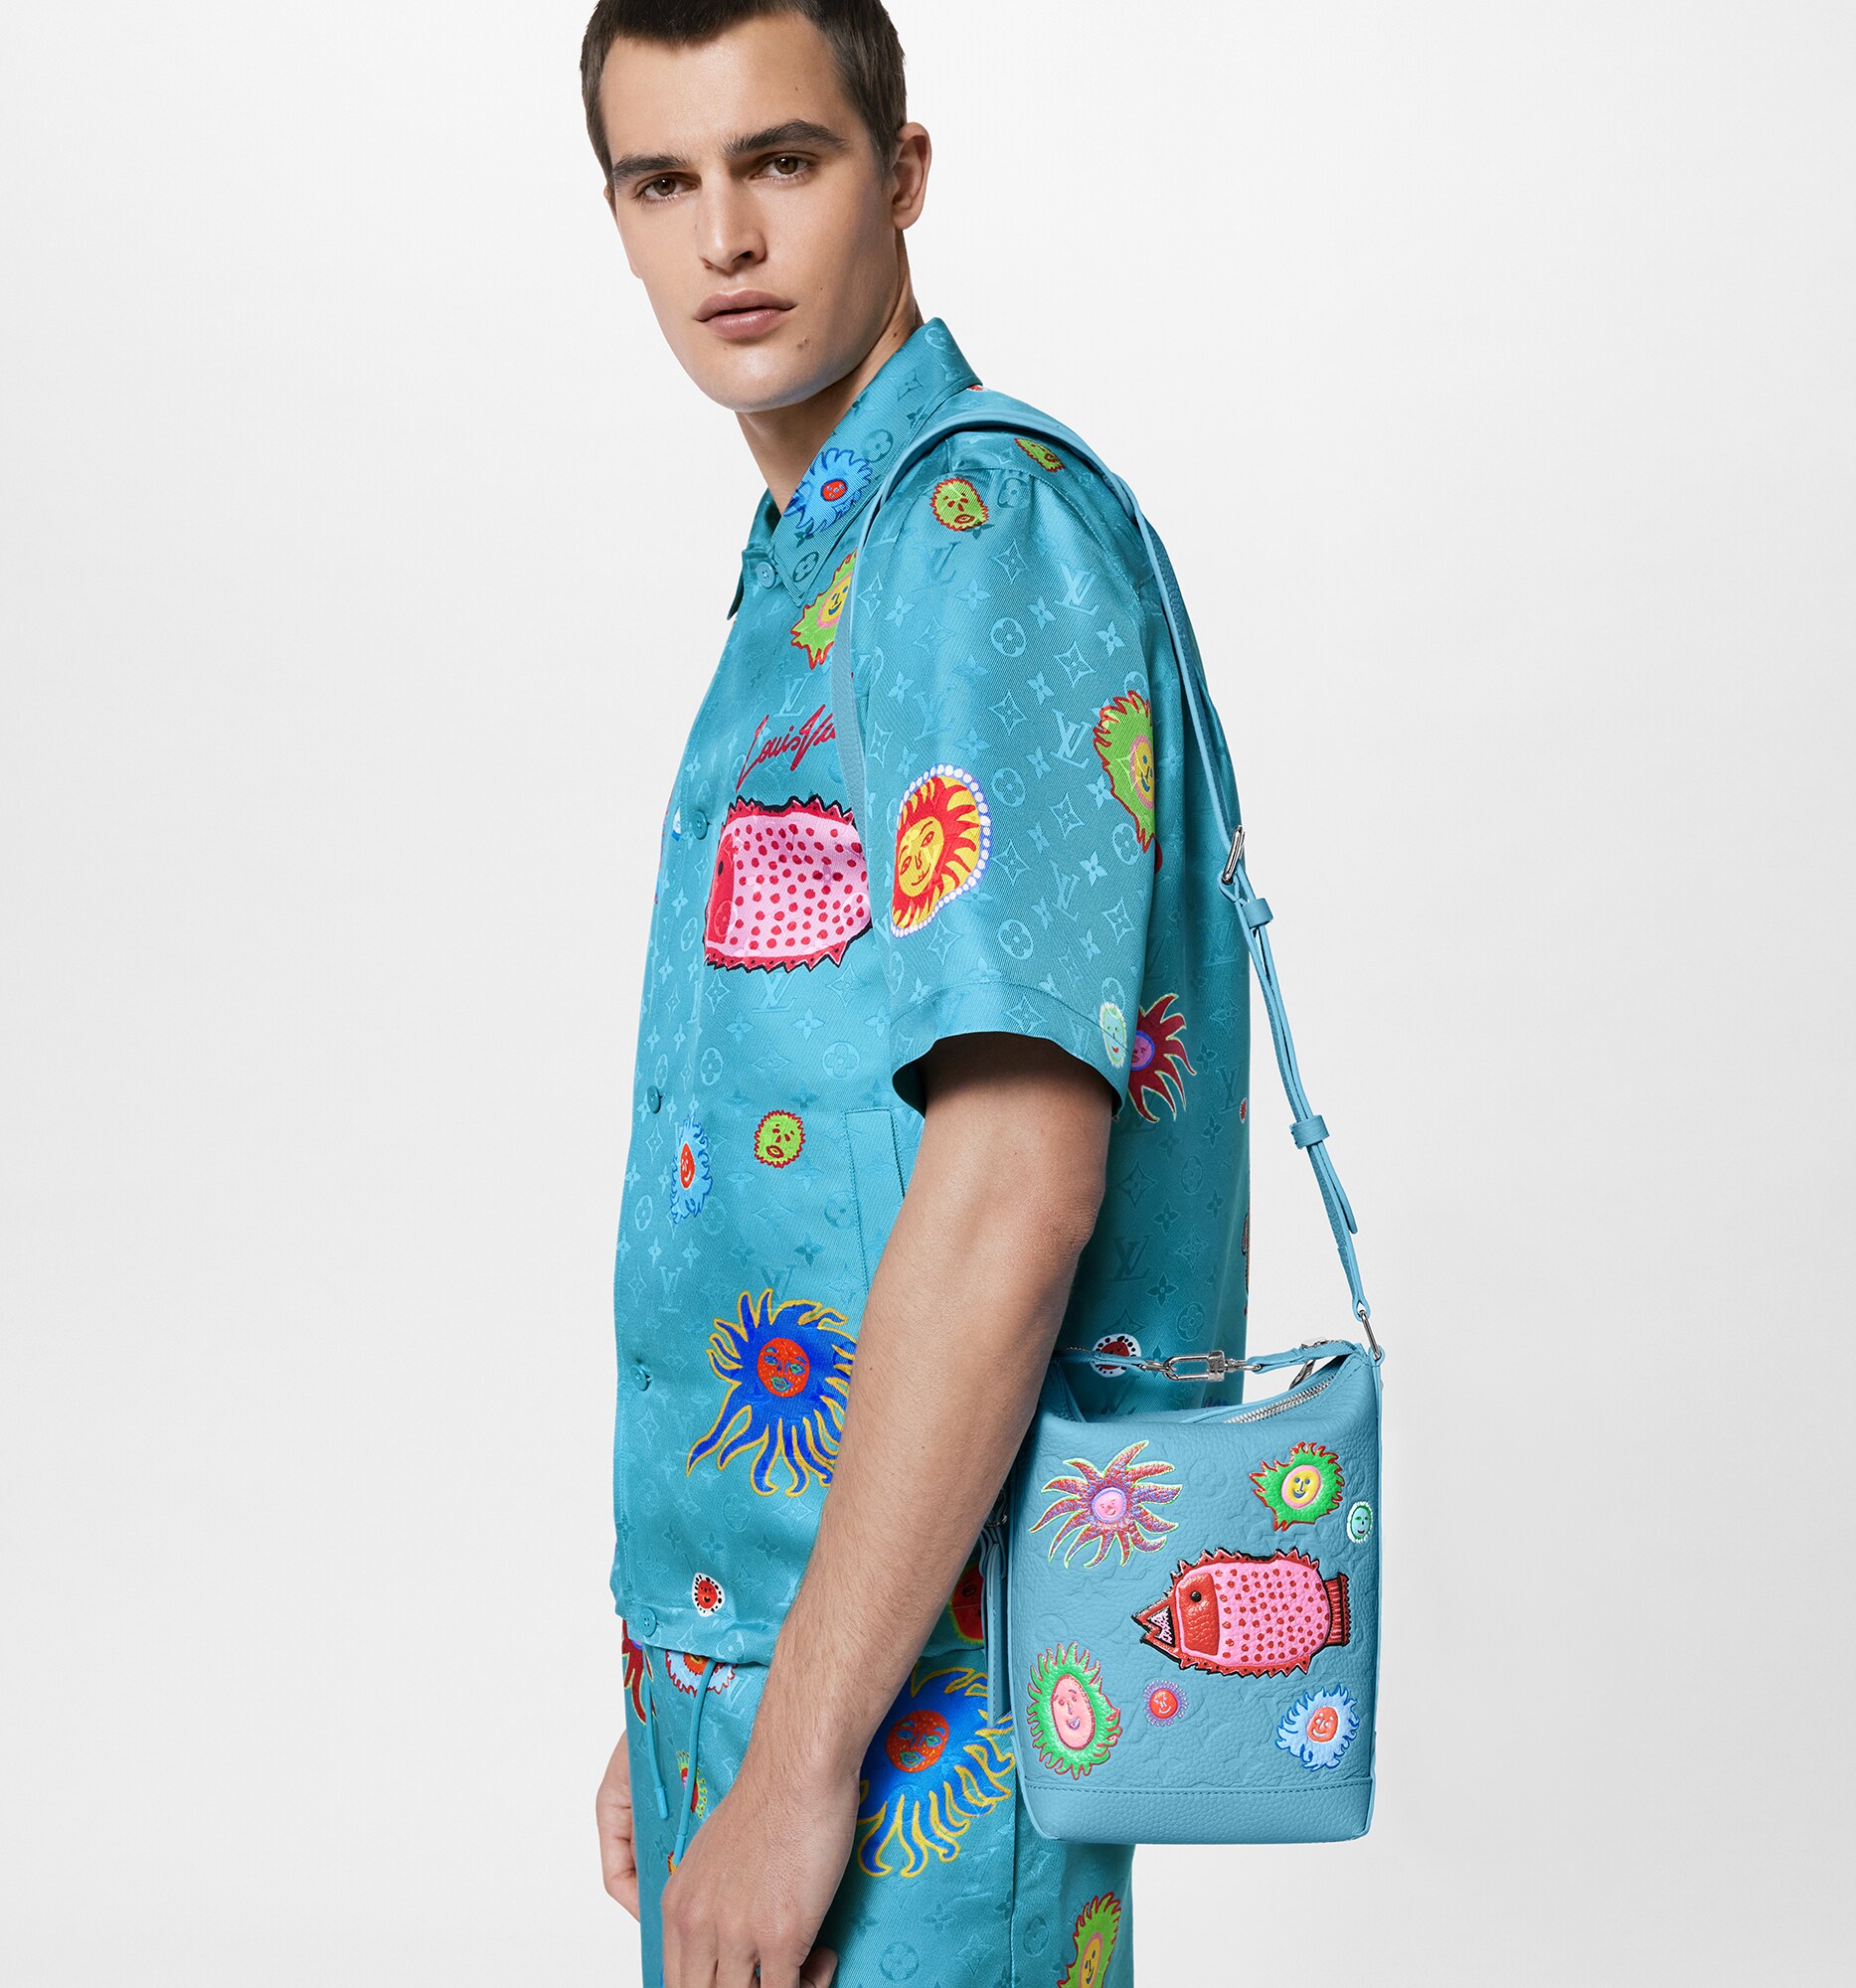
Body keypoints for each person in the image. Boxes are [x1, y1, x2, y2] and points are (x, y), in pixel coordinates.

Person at [580, 5, 1250, 1983]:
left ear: (903, 175)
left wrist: (795, 1757)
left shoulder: (974, 532)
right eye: (662, 182)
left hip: (921, 1723)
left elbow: (1016, 1181)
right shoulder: (827, 555)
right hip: (789, 1673)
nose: (724, 239)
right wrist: (691, 1676)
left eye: (781, 161)